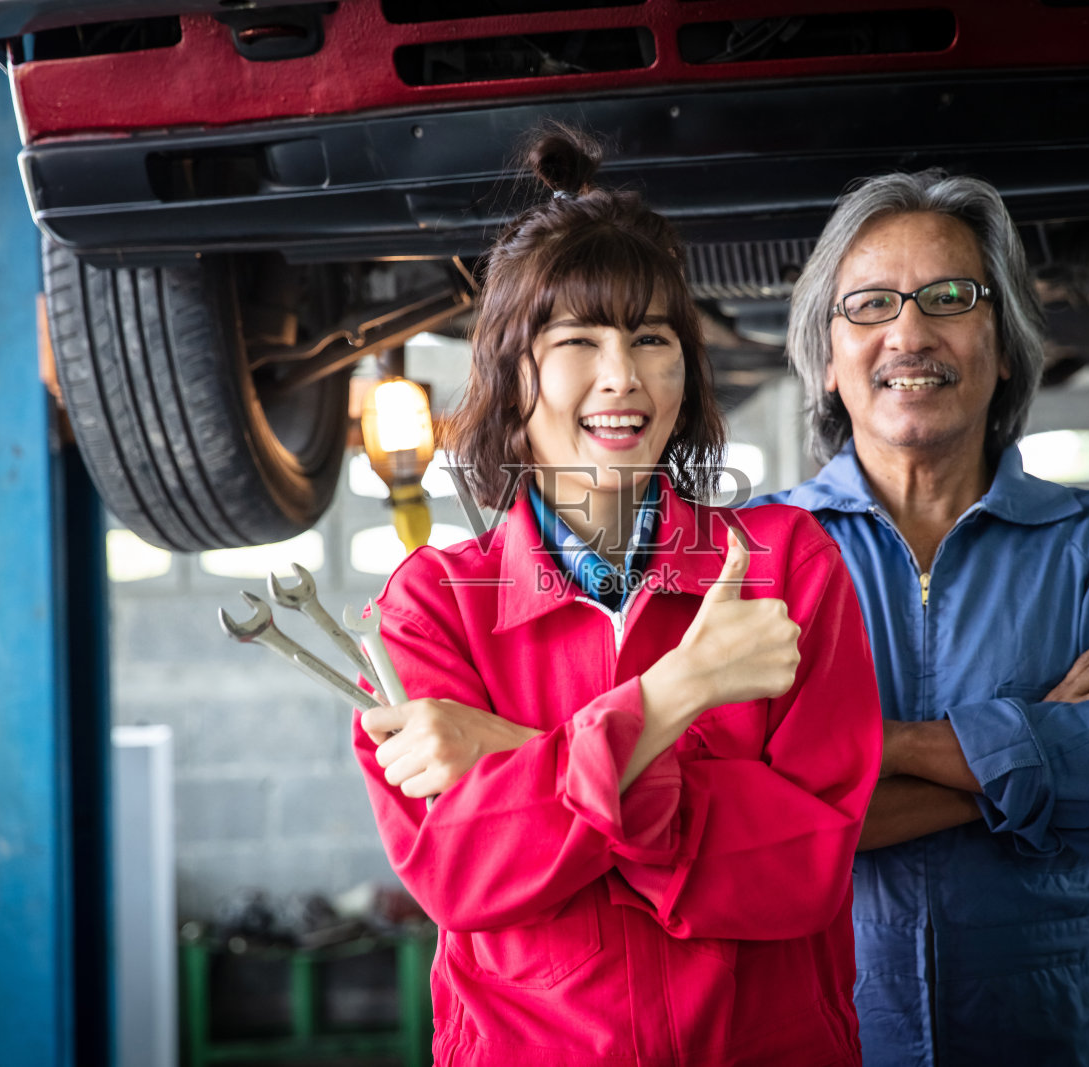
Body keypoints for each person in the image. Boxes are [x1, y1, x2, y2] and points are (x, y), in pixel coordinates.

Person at [351, 128, 882, 1066]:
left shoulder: (784, 565)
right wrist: (676, 694)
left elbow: (807, 864)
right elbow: (463, 868)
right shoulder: (430, 607)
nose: (622, 376)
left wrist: (523, 755)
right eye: (578, 341)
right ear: (515, 373)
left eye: (651, 338)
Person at [750, 170, 1089, 1066]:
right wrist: (1043, 743)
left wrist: (865, 744)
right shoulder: (758, 552)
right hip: (823, 1026)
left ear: (1004, 344)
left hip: (1064, 1030)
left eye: (951, 297)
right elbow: (742, 816)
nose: (910, 332)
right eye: (872, 303)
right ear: (826, 355)